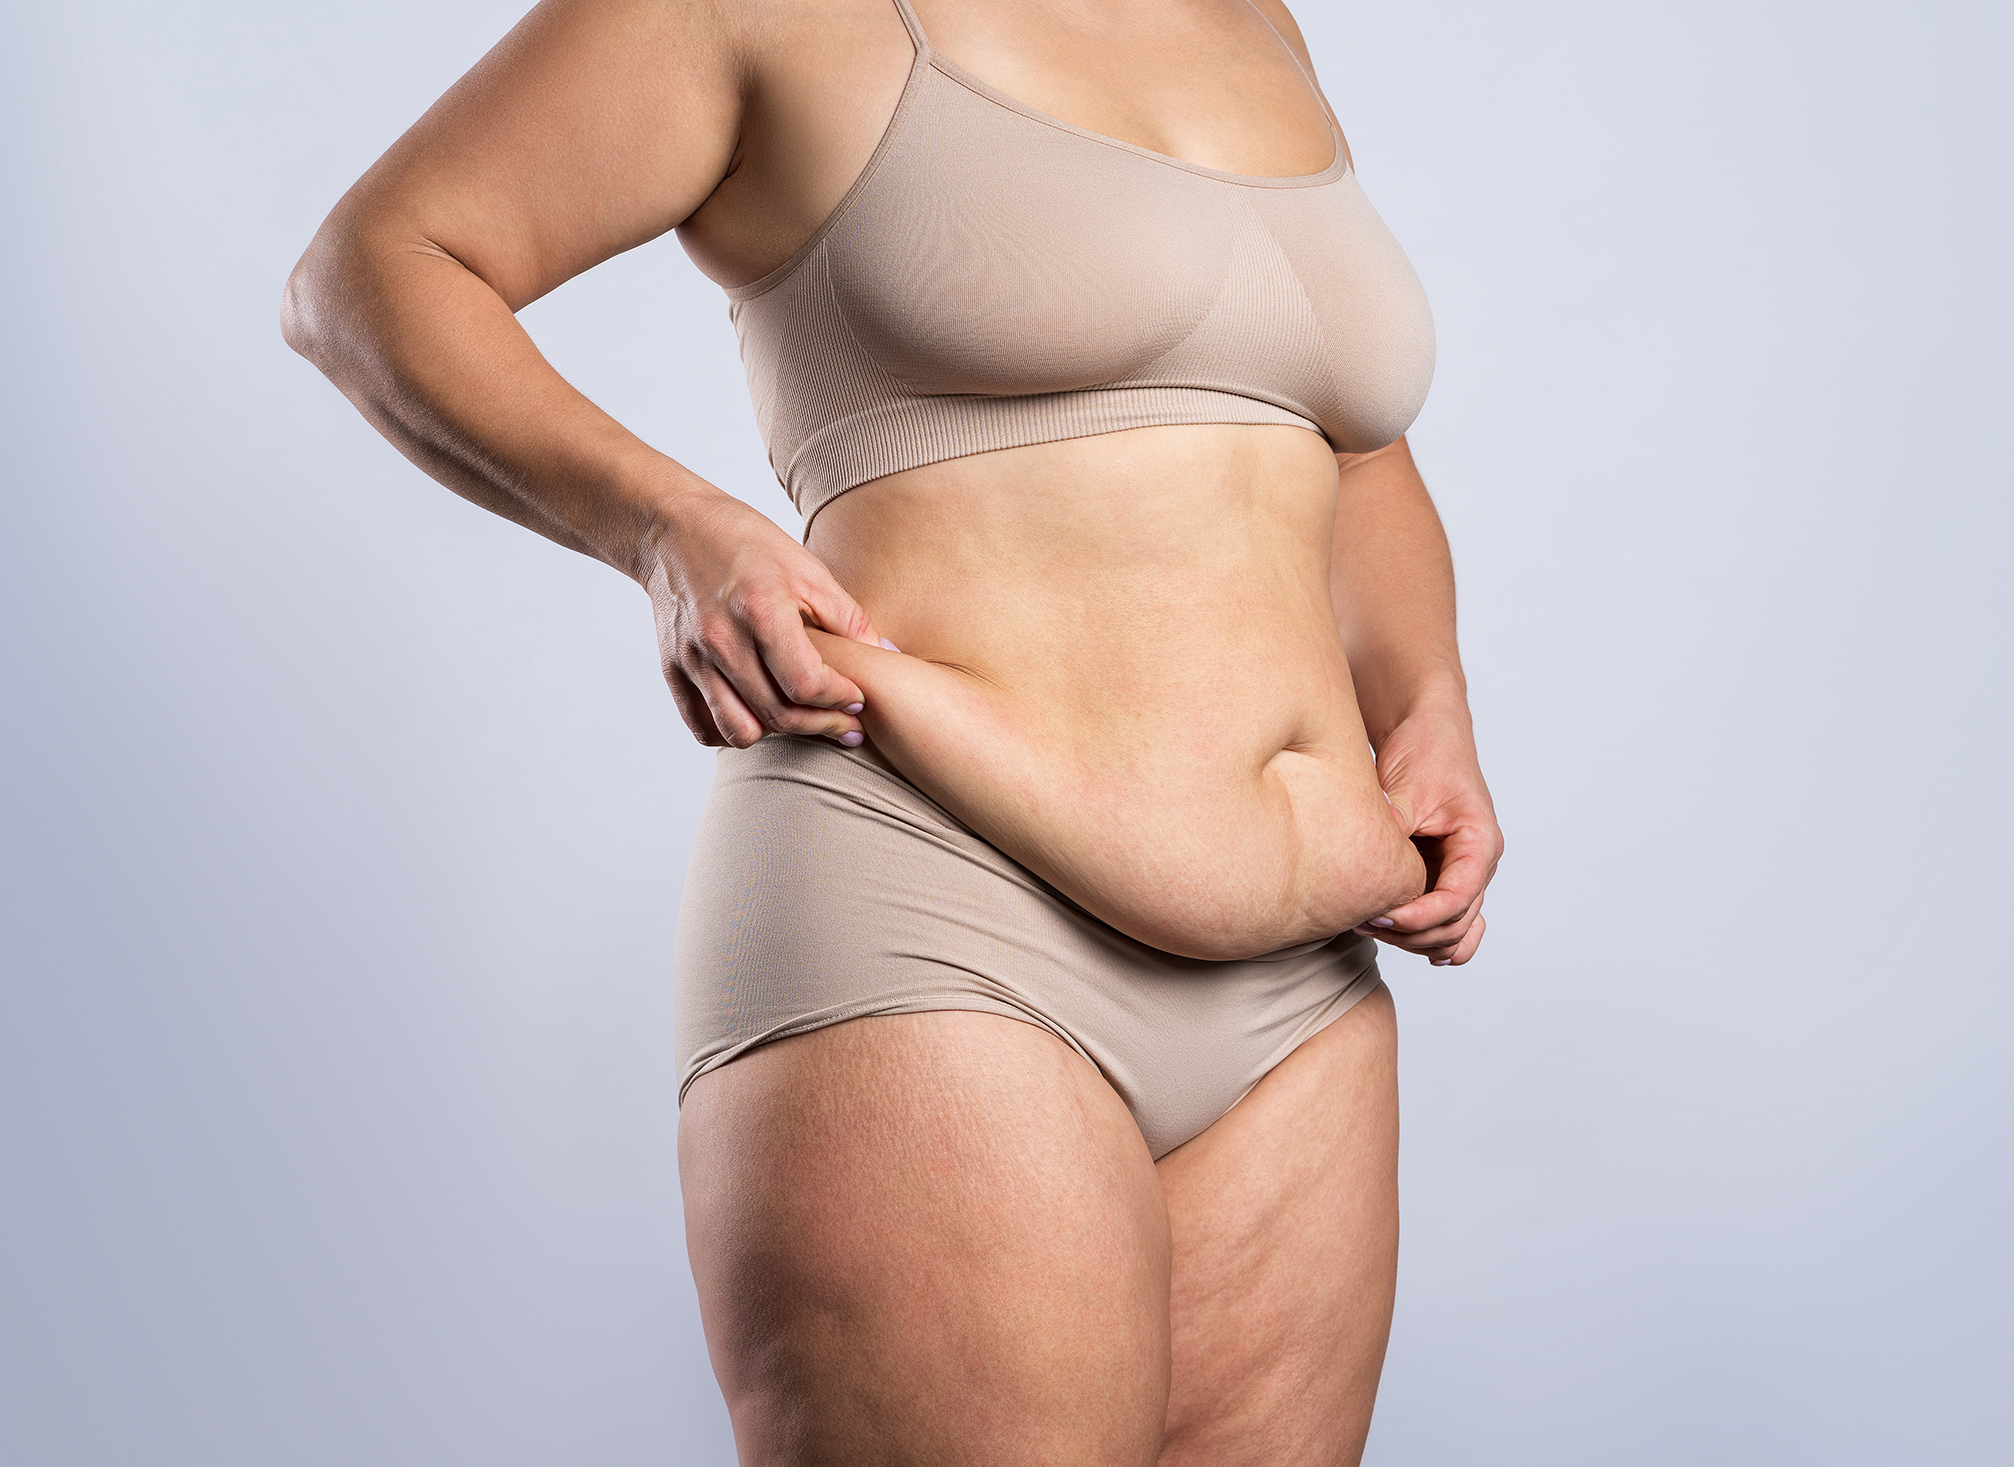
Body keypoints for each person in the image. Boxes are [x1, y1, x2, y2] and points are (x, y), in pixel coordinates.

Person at [282, 0, 1501, 1459]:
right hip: (947, 912)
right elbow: (376, 266)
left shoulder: (1251, 21)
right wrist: (671, 533)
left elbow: (1351, 452)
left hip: (1303, 985)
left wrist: (1429, 702)